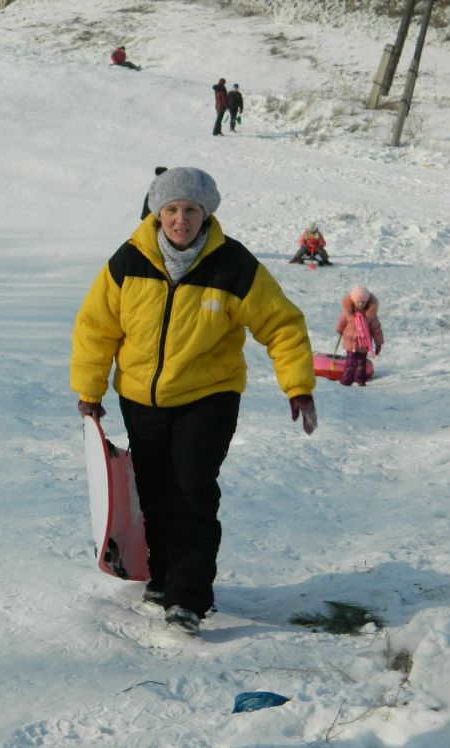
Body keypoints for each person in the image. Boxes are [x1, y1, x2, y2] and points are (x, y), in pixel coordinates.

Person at [71, 167, 317, 638]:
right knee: (157, 491)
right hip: (142, 397)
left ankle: (188, 597)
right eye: (170, 210)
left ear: (206, 215)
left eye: (190, 210)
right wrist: (90, 391)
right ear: (157, 213)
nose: (180, 219)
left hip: (209, 397)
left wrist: (298, 385)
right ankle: (163, 579)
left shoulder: (233, 265)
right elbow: (96, 327)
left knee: (191, 490)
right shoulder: (129, 261)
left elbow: (281, 324)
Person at [335, 284, 383, 387]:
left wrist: (378, 343)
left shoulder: (370, 316)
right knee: (351, 363)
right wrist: (339, 329)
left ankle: (360, 380)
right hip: (351, 343)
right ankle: (346, 381)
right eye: (358, 302)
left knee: (362, 363)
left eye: (363, 302)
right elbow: (341, 322)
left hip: (363, 345)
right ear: (353, 301)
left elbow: (376, 330)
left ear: (366, 302)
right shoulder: (348, 313)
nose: (360, 304)